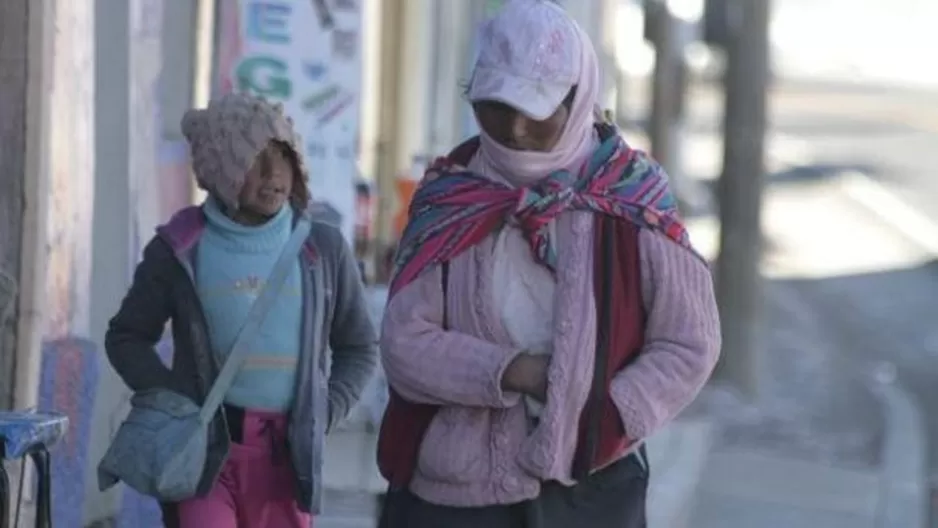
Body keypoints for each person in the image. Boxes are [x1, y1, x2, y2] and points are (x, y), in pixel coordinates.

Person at [376, 1, 721, 527]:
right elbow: (404, 342)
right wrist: (515, 371)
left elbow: (689, 341)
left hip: (591, 488)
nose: (514, 128)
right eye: (495, 106)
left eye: (535, 111)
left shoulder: (631, 197)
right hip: (456, 497)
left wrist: (609, 415)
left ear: (577, 98)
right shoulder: (449, 197)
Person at [105, 93, 378, 527]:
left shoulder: (321, 251)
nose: (274, 175)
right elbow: (126, 337)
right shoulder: (180, 250)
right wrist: (172, 403)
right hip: (206, 458)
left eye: (283, 157)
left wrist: (324, 410)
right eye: (255, 159)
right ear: (221, 169)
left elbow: (359, 348)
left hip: (288, 462)